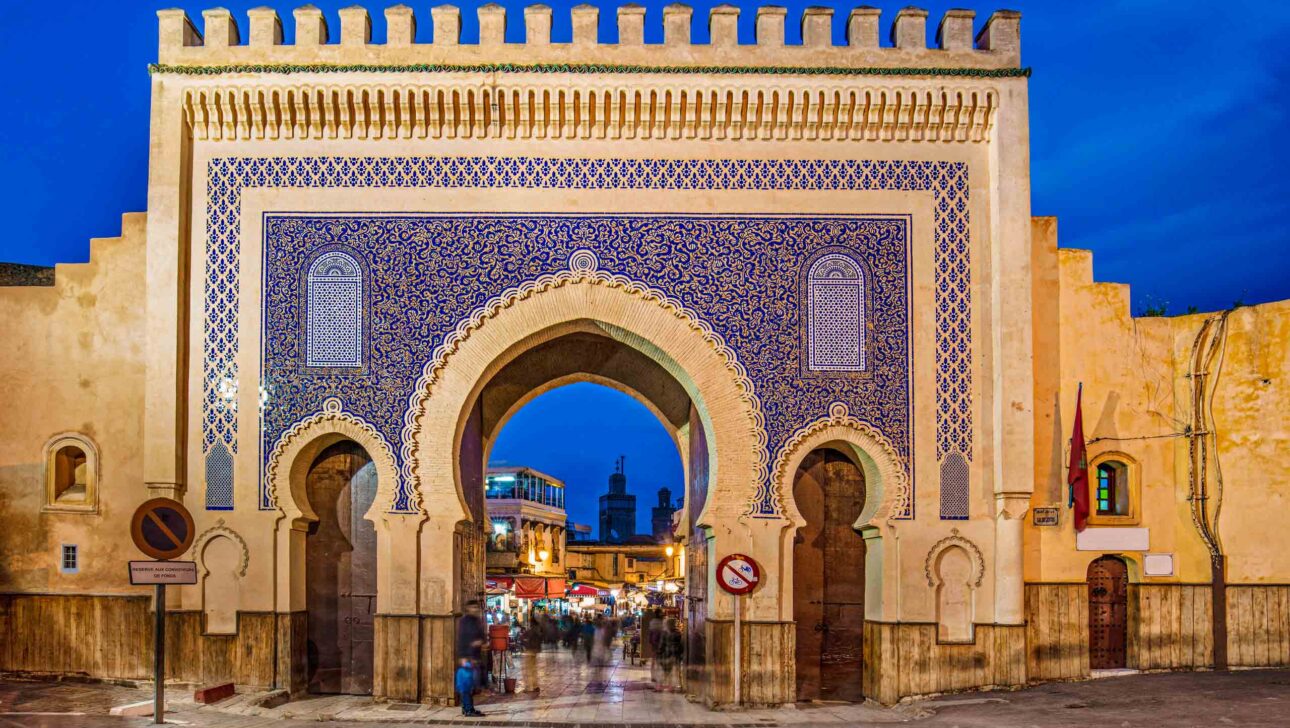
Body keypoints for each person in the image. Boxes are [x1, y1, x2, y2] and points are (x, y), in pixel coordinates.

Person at [455, 601, 486, 717]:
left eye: (476, 607)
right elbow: (462, 640)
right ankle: (468, 709)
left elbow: (482, 637)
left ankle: (468, 707)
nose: (475, 609)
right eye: (473, 607)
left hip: (475, 656)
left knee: (472, 683)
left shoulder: (477, 621)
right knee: (466, 684)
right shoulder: (465, 621)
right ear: (468, 608)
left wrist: (481, 642)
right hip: (467, 657)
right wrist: (463, 656)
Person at [657, 618, 685, 692]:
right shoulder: (678, 633)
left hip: (667, 654)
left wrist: (659, 653)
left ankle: (661, 686)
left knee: (665, 671)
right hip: (676, 655)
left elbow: (661, 645)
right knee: (675, 671)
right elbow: (681, 645)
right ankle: (675, 687)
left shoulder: (665, 633)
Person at [521, 617, 543, 693]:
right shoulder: (537, 630)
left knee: (528, 669)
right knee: (533, 669)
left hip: (530, 651)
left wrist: (525, 643)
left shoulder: (531, 631)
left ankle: (529, 687)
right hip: (535, 651)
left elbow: (524, 637)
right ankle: (535, 685)